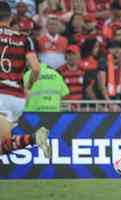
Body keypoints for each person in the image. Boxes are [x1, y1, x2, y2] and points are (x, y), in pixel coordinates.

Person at [0, 2, 50, 157]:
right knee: (3, 145)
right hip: (16, 98)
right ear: (11, 16)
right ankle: (35, 138)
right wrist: (28, 87)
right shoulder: (25, 39)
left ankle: (34, 138)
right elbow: (36, 69)